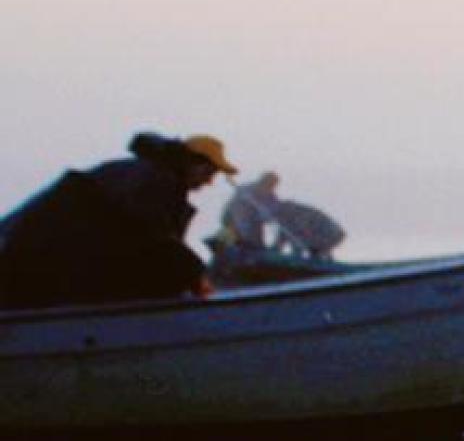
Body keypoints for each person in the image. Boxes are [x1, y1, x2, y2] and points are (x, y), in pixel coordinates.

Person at [0, 132, 237, 309]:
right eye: (208, 173)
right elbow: (156, 238)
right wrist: (194, 274)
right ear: (192, 163)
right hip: (33, 258)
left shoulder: (143, 175)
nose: (209, 182)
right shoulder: (153, 181)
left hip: (35, 256)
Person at [213, 171, 282, 253]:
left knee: (257, 249)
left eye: (270, 186)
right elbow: (235, 208)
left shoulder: (272, 199)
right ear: (261, 181)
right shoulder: (246, 189)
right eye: (266, 183)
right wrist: (244, 228)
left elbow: (274, 212)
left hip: (254, 228)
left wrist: (266, 214)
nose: (267, 187)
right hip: (232, 223)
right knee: (222, 249)